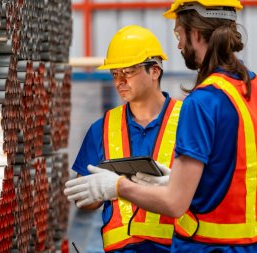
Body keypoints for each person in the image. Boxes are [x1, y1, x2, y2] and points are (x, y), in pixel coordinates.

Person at [65, 1, 257, 252]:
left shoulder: (202, 102)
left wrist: (116, 186)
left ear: (195, 33)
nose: (179, 44)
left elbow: (175, 204)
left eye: (178, 33)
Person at [64, 25, 182, 252]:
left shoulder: (189, 120)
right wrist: (97, 191)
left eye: (127, 72)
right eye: (115, 74)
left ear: (154, 71)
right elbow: (85, 200)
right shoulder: (102, 129)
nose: (119, 81)